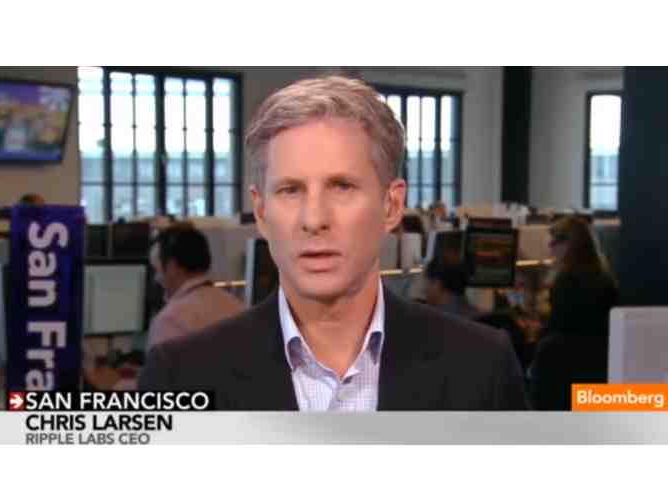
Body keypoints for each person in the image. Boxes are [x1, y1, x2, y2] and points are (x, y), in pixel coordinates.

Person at [139, 76, 527, 411]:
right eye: (290, 190)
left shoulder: (482, 366)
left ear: (391, 206)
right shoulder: (179, 375)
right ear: (261, 212)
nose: (314, 219)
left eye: (342, 187)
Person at [528, 216, 619, 410]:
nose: (550, 248)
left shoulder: (566, 282)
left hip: (564, 373)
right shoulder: (605, 278)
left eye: (554, 242)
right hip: (598, 372)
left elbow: (558, 328)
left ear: (568, 244)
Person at [147, 224, 245, 349]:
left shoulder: (170, 320)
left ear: (172, 267)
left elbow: (159, 362)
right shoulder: (239, 308)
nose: (156, 278)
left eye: (158, 270)